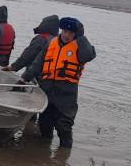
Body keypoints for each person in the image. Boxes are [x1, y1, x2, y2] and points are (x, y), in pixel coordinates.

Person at [24, 17, 96, 148]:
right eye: (65, 31)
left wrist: (81, 37)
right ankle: (44, 154)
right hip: (47, 89)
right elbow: (37, 63)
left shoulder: (81, 47)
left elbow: (88, 55)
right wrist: (24, 77)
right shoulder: (51, 43)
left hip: (66, 93)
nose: (67, 35)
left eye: (71, 33)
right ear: (61, 31)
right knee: (44, 124)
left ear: (76, 34)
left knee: (64, 126)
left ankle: (64, 153)